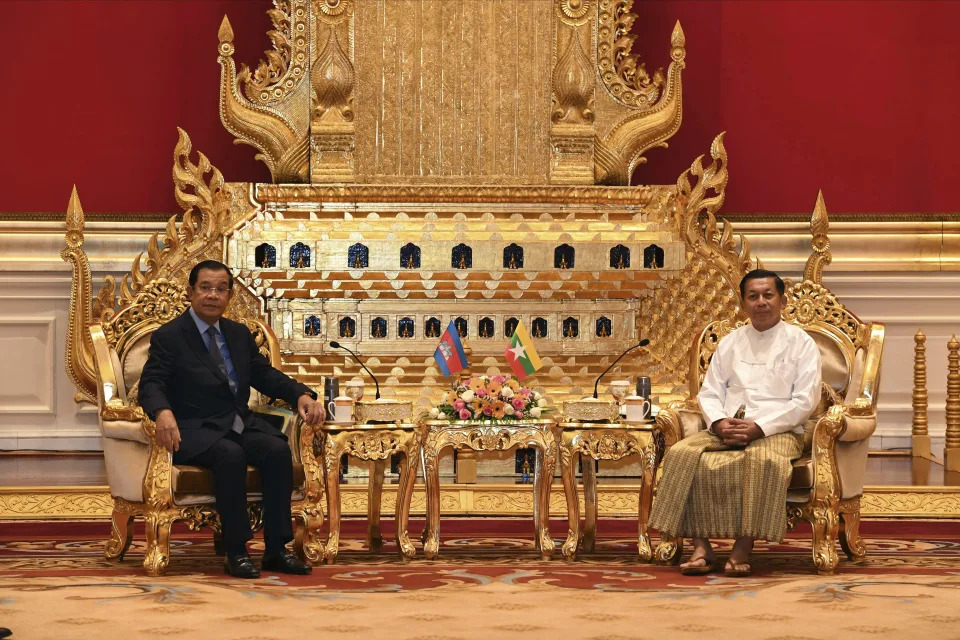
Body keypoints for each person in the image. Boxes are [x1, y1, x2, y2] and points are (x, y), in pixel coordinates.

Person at [139, 260, 326, 578]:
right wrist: (162, 411)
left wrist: (301, 396)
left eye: (220, 289)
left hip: (237, 423)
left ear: (229, 295)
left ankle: (276, 550)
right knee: (230, 454)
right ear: (191, 292)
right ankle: (236, 551)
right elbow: (151, 383)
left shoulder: (238, 335)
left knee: (276, 449)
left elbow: (264, 375)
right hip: (194, 430)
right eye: (205, 288)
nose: (212, 295)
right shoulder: (170, 336)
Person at [649, 269, 821, 576]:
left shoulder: (801, 343)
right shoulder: (730, 342)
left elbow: (805, 402)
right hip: (728, 426)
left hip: (777, 430)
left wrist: (760, 428)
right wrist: (717, 423)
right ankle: (701, 547)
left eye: (768, 295)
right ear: (743, 304)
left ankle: (742, 548)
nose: (761, 302)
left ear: (782, 300)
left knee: (763, 460)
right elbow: (710, 392)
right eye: (753, 296)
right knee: (680, 455)